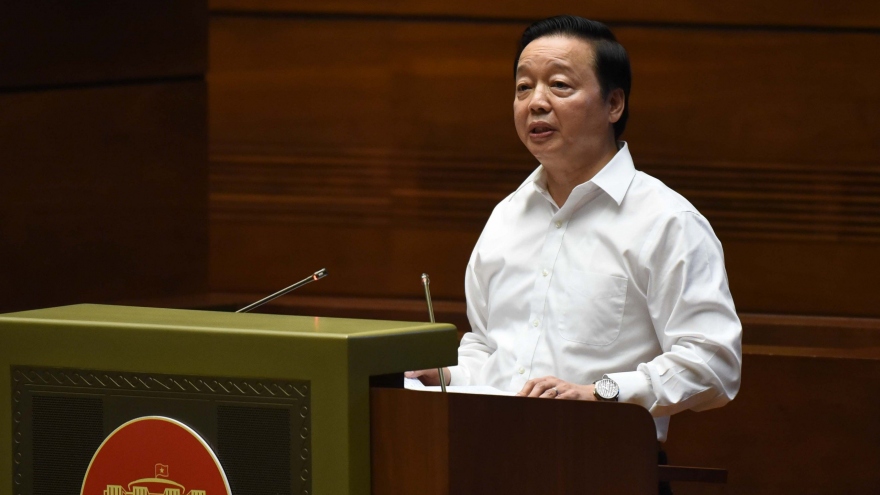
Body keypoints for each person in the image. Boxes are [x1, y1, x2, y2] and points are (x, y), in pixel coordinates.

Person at [407, 15, 741, 444]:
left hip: (600, 460)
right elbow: (490, 350)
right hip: (489, 453)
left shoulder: (667, 221)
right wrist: (446, 375)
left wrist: (601, 393)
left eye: (559, 85)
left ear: (613, 104)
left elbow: (713, 363)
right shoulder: (506, 217)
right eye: (523, 87)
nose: (535, 102)